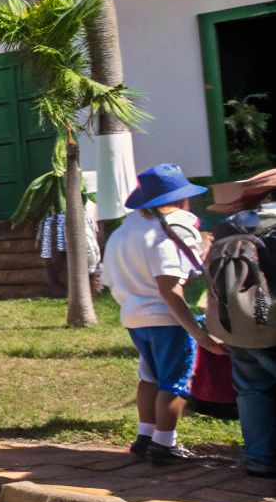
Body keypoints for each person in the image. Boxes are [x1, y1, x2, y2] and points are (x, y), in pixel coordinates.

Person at [100, 164, 224, 465]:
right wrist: (200, 335)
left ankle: (145, 437)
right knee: (176, 382)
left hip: (134, 317)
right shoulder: (164, 233)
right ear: (178, 200)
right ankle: (164, 444)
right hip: (167, 319)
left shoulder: (123, 231)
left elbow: (109, 279)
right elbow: (170, 289)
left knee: (150, 377)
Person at [206, 169, 276, 477]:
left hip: (234, 323)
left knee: (251, 389)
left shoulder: (225, 229)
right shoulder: (272, 227)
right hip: (270, 322)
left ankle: (259, 459)